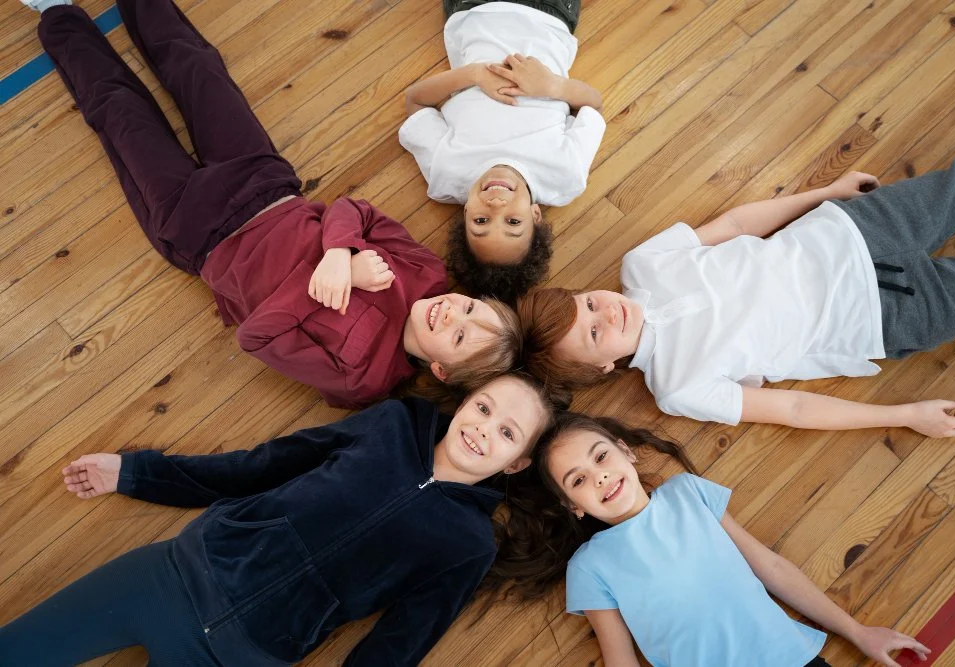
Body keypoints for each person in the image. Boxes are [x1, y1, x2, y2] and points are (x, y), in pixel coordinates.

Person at [24, 0, 520, 410]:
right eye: (473, 309)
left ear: (441, 370)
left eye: (460, 337)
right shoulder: (426, 274)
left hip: (199, 232)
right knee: (196, 67)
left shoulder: (360, 382)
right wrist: (339, 254)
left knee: (120, 112)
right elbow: (355, 210)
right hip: (265, 184)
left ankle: (56, 12)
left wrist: (326, 285)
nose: (455, 312)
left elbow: (256, 338)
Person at [0, 374, 554, 666]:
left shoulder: (470, 544)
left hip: (240, 656)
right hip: (166, 578)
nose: (485, 428)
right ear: (463, 403)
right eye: (484, 407)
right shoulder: (390, 424)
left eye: (508, 432)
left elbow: (400, 640)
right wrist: (138, 474)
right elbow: (263, 465)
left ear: (519, 461)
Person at [519, 150, 955, 436]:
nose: (606, 312)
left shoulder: (643, 264)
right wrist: (905, 415)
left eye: (587, 304)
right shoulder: (677, 386)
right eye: (595, 333)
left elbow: (734, 224)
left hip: (854, 229)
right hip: (884, 315)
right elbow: (794, 408)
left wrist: (825, 192)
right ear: (603, 368)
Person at [506, 412, 930, 667]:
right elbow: (621, 659)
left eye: (600, 456)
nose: (598, 475)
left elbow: (771, 568)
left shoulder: (687, 492)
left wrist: (856, 632)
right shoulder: (590, 565)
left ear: (626, 451)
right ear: (573, 506)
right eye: (578, 479)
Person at [400, 0, 605, 302]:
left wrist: (474, 74)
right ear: (535, 215)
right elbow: (593, 105)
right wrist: (552, 86)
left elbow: (415, 102)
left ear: (466, 213)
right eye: (513, 222)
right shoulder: (565, 175)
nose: (496, 204)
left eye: (481, 222)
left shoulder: (446, 173)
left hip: (475, 9)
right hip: (550, 14)